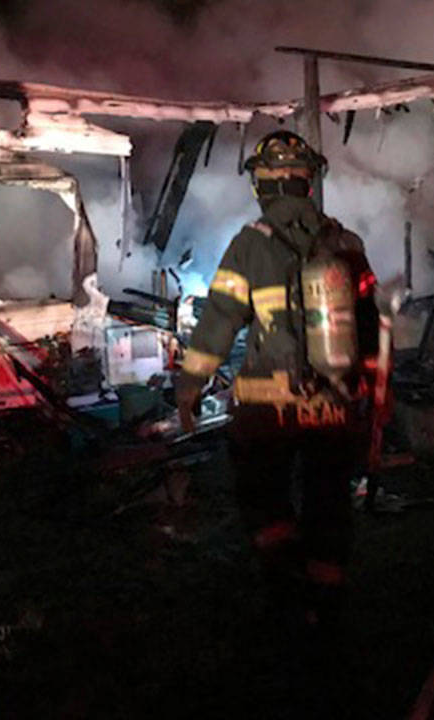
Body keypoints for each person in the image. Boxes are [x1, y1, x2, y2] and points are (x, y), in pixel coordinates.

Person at [173, 130, 380, 622]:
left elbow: (219, 320)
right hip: (332, 403)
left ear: (261, 187)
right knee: (328, 500)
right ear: (308, 184)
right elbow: (368, 325)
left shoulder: (249, 246)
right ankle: (326, 604)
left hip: (268, 411)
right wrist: (365, 392)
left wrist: (189, 387)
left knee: (264, 498)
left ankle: (285, 594)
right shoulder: (346, 243)